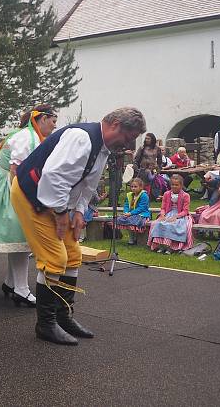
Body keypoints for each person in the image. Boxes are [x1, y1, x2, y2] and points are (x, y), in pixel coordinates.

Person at [11, 107, 146, 345]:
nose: (128, 144)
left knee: (72, 255)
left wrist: (79, 212)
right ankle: (45, 324)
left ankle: (63, 317)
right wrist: (63, 212)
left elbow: (87, 185)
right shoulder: (82, 138)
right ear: (114, 124)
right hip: (31, 194)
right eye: (128, 137)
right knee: (54, 259)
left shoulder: (103, 148)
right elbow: (53, 176)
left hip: (56, 200)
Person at [0, 104, 58, 307]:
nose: (55, 126)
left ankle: (12, 283)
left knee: (17, 237)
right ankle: (20, 288)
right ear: (42, 118)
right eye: (53, 121)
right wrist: (22, 197)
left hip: (4, 183)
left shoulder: (29, 135)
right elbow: (15, 169)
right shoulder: (28, 137)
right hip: (9, 186)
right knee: (20, 236)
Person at [147, 175, 193, 254]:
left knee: (173, 225)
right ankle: (161, 245)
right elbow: (163, 208)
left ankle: (171, 246)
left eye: (176, 185)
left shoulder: (186, 196)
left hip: (180, 215)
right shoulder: (166, 194)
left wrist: (176, 216)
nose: (174, 186)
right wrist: (162, 215)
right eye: (172, 185)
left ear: (181, 185)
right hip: (168, 213)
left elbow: (185, 211)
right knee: (159, 223)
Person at [116, 177, 151, 245]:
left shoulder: (144, 195)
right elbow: (126, 204)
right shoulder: (130, 195)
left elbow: (142, 208)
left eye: (135, 186)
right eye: (132, 186)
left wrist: (131, 213)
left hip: (142, 214)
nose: (133, 188)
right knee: (121, 218)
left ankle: (136, 238)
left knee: (133, 219)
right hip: (131, 213)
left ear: (141, 187)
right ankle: (131, 238)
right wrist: (126, 212)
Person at [132, 133, 162, 199]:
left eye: (148, 138)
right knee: (143, 185)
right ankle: (141, 197)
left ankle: (152, 197)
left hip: (153, 169)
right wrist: (137, 169)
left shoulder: (157, 149)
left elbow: (160, 161)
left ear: (152, 139)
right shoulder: (142, 148)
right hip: (143, 170)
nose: (146, 140)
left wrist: (159, 169)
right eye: (146, 138)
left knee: (153, 184)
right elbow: (136, 160)